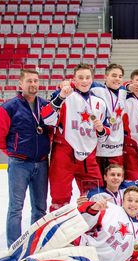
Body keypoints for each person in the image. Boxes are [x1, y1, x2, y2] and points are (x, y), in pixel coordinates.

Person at [0, 68, 51, 247]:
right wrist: (14, 153)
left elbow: (51, 132)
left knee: (40, 208)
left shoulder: (45, 105)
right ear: (20, 84)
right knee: (16, 208)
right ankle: (14, 247)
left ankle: (35, 244)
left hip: (41, 163)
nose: (33, 84)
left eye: (36, 81)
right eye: (29, 81)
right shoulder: (8, 107)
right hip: (19, 164)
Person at [41, 63, 110, 211]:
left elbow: (104, 136)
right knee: (60, 198)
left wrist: (100, 130)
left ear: (92, 79)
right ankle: (60, 232)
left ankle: (93, 231)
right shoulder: (64, 95)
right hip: (63, 153)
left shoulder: (100, 103)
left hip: (89, 157)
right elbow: (47, 119)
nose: (84, 81)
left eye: (87, 77)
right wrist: (60, 97)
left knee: (95, 196)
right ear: (74, 79)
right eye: (80, 78)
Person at [90, 63, 128, 174]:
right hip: (99, 146)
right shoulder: (96, 88)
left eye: (120, 76)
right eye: (114, 75)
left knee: (115, 180)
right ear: (105, 77)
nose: (117, 79)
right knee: (100, 182)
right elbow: (80, 82)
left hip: (117, 147)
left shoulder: (125, 92)